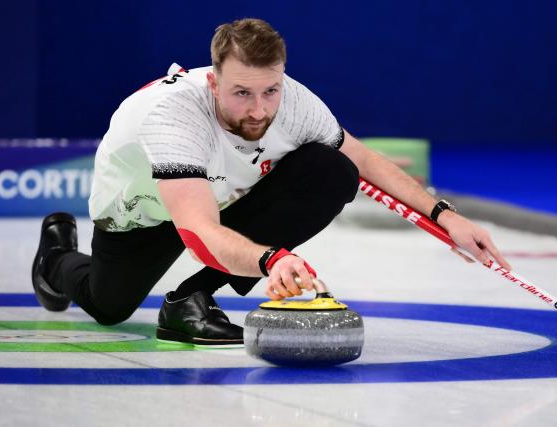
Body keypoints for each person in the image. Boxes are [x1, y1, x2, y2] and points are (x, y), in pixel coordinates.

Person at [32, 18, 511, 346]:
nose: (259, 110)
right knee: (109, 304)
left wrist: (446, 216)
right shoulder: (174, 117)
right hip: (144, 210)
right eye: (242, 93)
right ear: (215, 84)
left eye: (270, 91)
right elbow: (197, 231)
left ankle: (190, 299)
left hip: (220, 197)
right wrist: (270, 259)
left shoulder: (294, 102)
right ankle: (55, 255)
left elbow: (364, 160)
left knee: (332, 168)